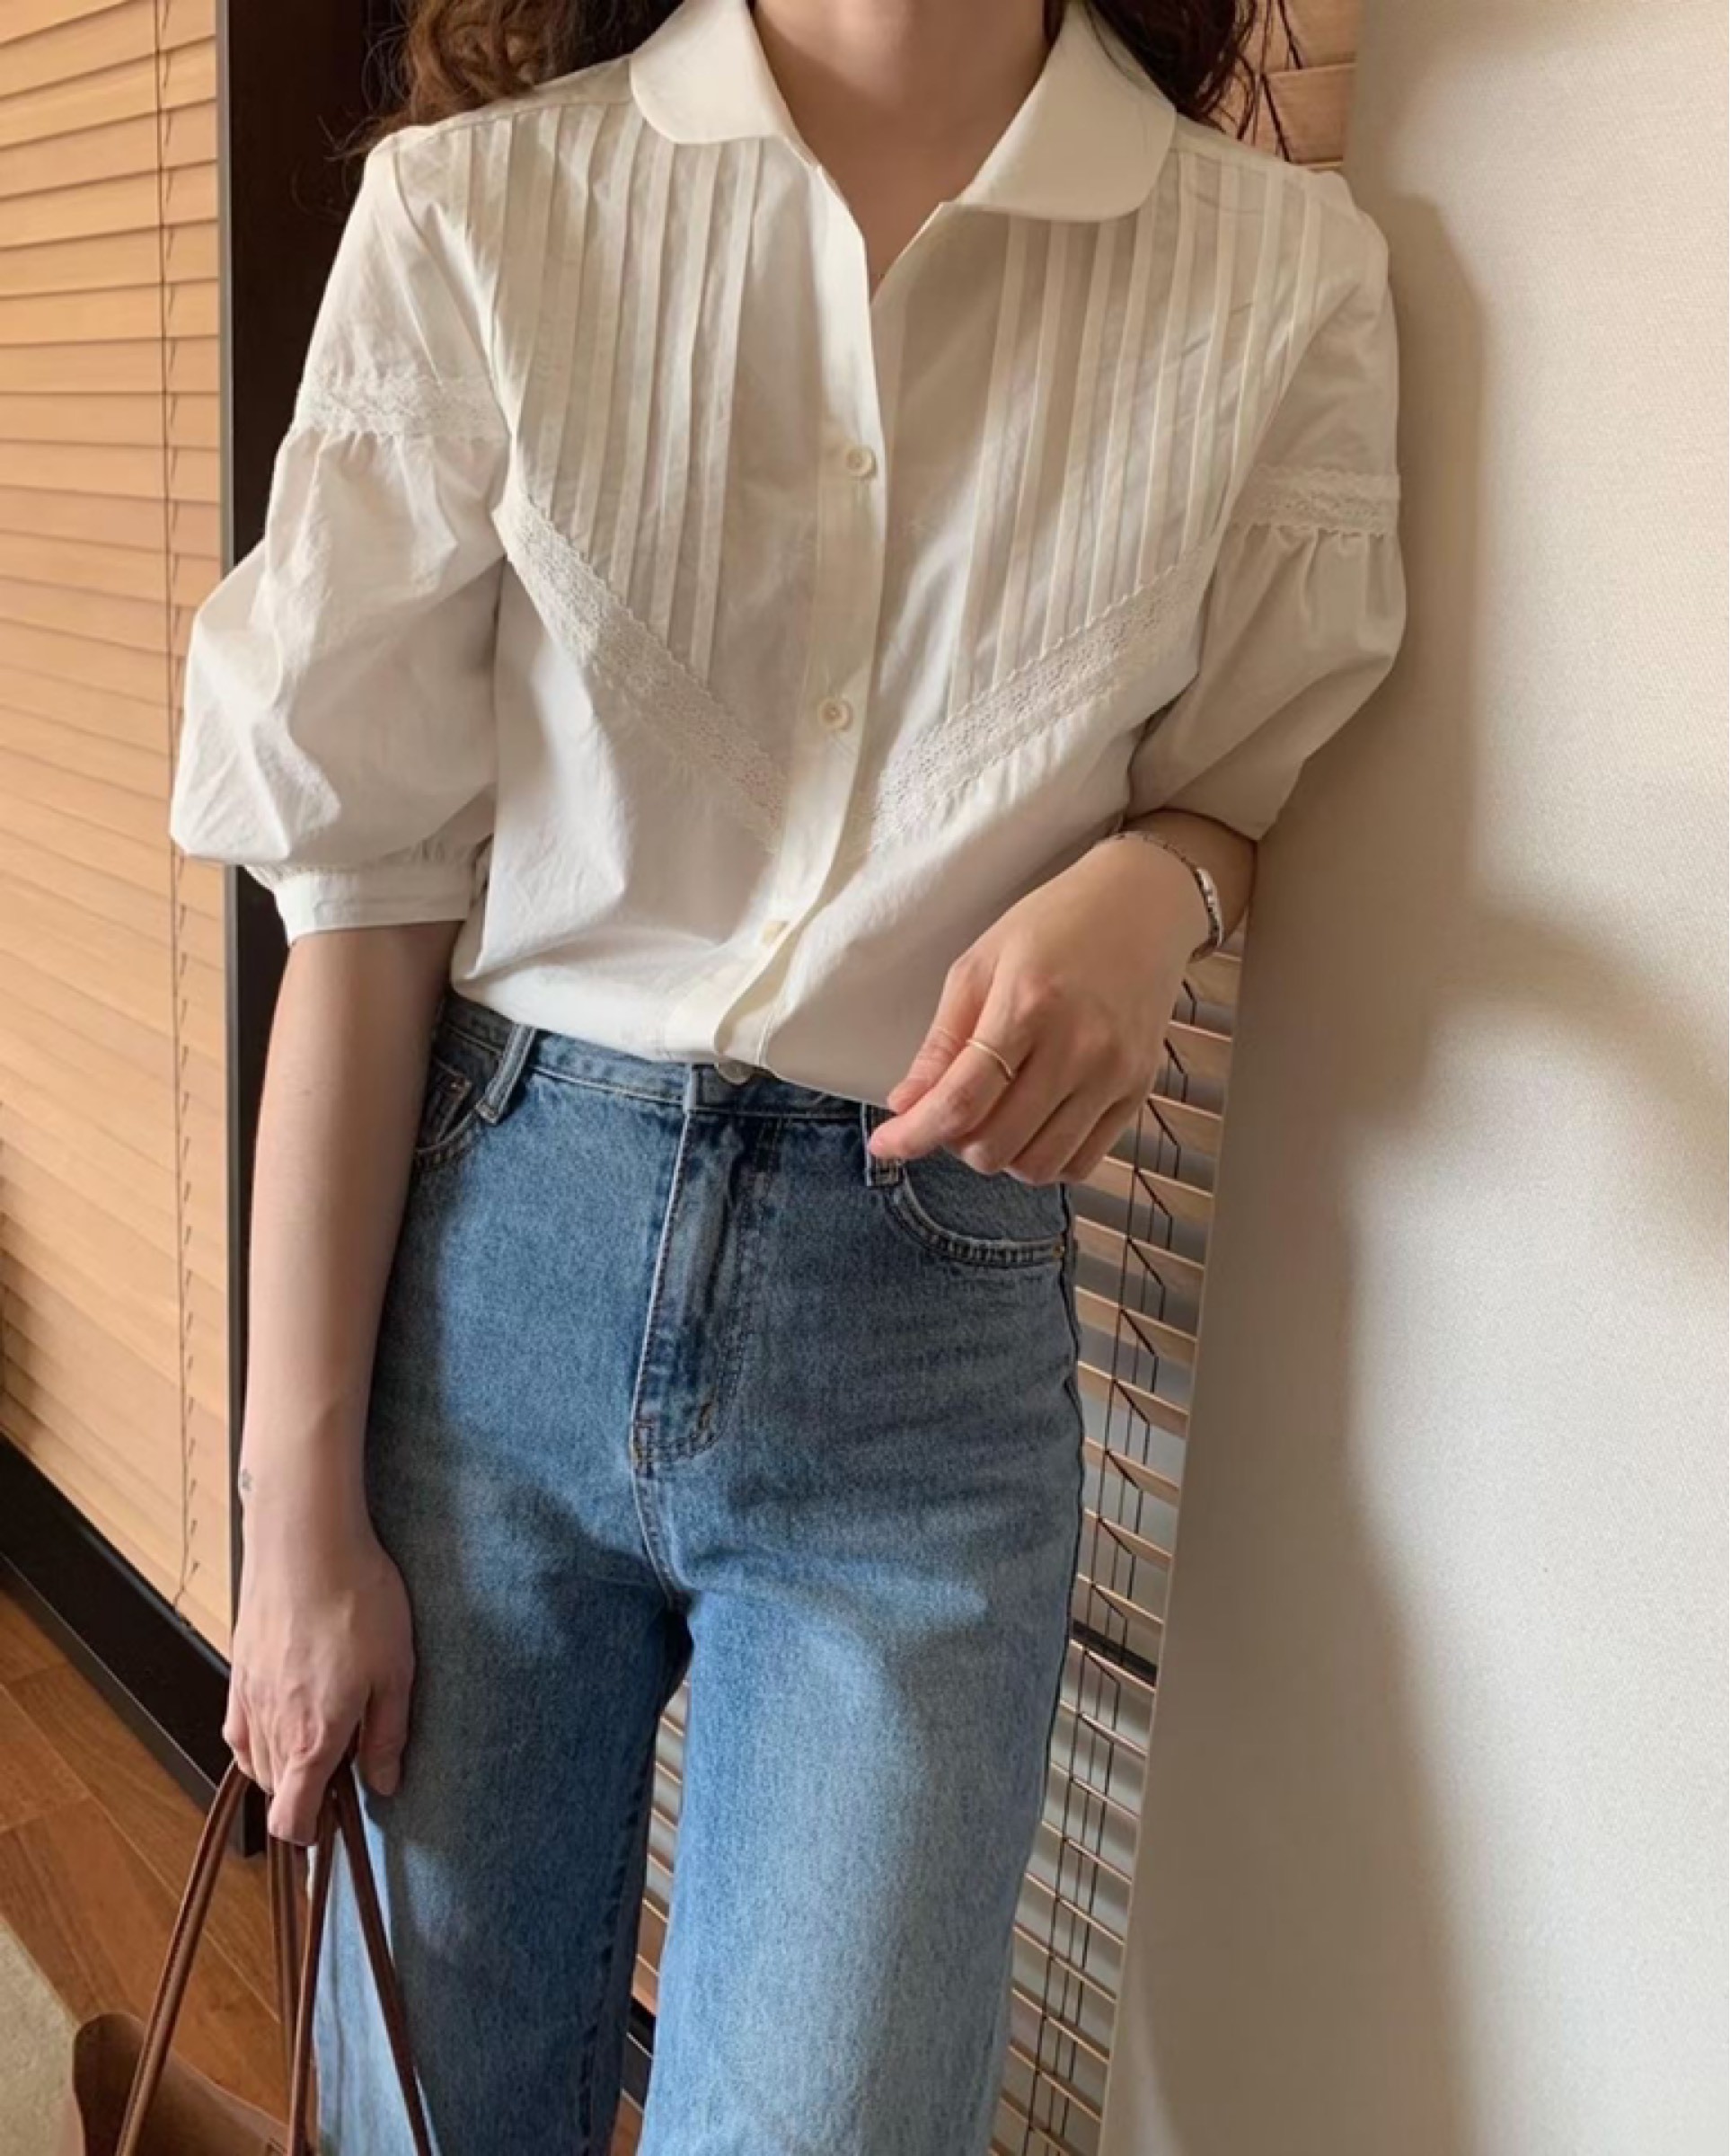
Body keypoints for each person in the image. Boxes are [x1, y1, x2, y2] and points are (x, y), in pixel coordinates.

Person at [166, 0, 1406, 2148]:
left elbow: (1243, 779)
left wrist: (1162, 883)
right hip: (490, 1296)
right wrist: (295, 1527)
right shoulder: (480, 213)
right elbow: (358, 897)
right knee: (424, 2113)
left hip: (916, 1361)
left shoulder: (1277, 281)